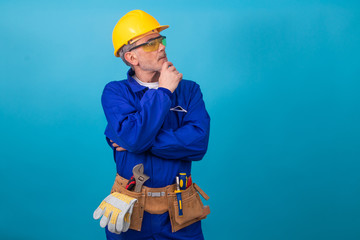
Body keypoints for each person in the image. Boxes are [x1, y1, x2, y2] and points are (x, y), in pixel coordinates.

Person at [101, 9, 210, 240]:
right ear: (131, 58)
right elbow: (135, 138)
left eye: (161, 40)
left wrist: (134, 141)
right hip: (129, 208)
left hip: (180, 211)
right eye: (150, 43)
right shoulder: (115, 92)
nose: (161, 47)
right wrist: (164, 91)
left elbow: (198, 144)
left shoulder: (189, 90)